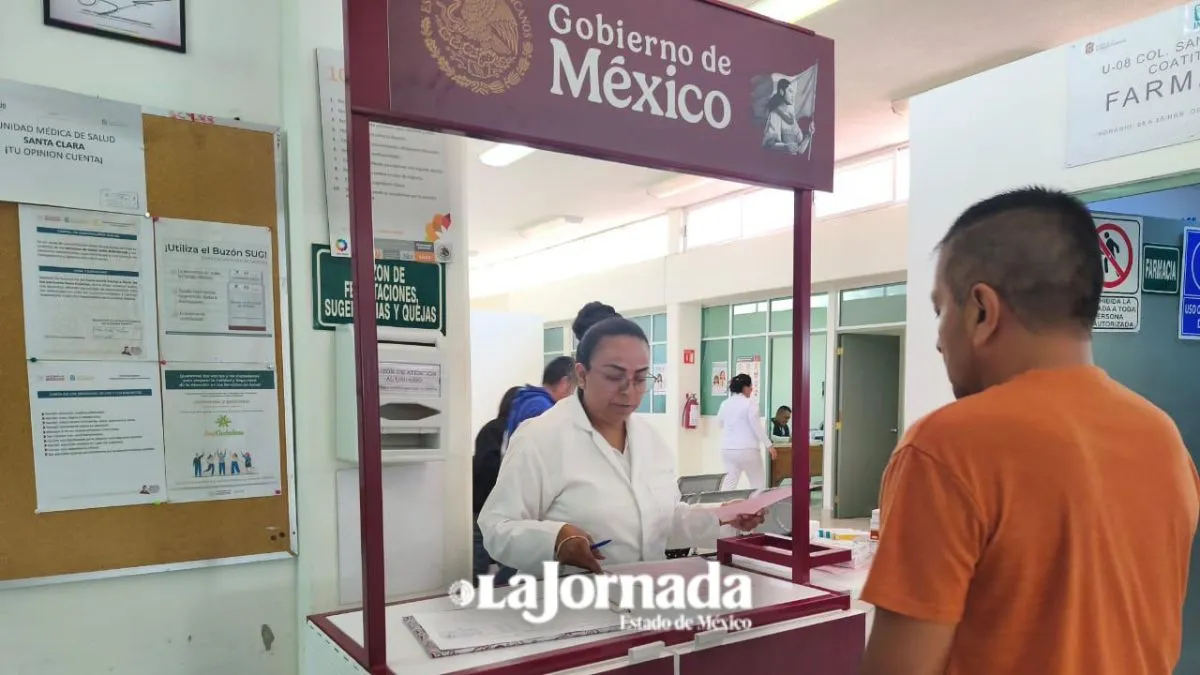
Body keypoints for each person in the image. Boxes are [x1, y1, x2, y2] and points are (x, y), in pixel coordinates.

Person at [859, 187, 1200, 675]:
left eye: (940, 311)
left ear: (981, 310)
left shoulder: (947, 448)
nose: (937, 340)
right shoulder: (1164, 440)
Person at [479, 317, 764, 576]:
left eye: (640, 378)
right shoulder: (541, 438)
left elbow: (664, 523)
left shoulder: (650, 440)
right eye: (615, 376)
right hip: (568, 610)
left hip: (643, 601)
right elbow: (497, 528)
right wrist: (555, 539)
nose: (629, 390)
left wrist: (723, 514)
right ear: (582, 374)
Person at [472, 386, 520, 583]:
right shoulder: (499, 431)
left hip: (483, 507)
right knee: (510, 564)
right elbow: (488, 470)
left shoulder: (491, 429)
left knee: (482, 565)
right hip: (491, 509)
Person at [716, 374, 773, 490]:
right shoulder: (750, 403)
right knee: (757, 483)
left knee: (729, 482)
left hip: (727, 450)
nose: (752, 389)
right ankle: (756, 507)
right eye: (750, 386)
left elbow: (720, 424)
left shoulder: (725, 403)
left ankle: (724, 506)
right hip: (748, 449)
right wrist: (769, 445)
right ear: (745, 388)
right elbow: (757, 426)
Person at [505, 356, 577, 442]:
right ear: (564, 383)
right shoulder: (543, 409)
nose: (575, 396)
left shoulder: (527, 400)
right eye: (575, 389)